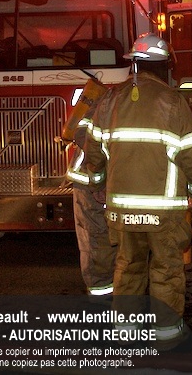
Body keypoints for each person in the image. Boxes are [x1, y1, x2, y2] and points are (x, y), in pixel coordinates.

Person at [80, 33, 192, 348]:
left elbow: (93, 151)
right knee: (167, 269)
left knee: (128, 266)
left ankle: (125, 333)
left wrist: (98, 184)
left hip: (122, 211)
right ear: (164, 66)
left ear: (134, 64)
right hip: (164, 212)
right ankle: (166, 337)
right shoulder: (174, 101)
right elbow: (191, 154)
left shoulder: (110, 100)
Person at [65, 84, 117, 297]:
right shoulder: (111, 105)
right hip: (88, 184)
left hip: (100, 183)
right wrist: (100, 183)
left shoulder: (116, 102)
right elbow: (84, 136)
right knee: (96, 238)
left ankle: (108, 291)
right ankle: (101, 294)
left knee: (103, 238)